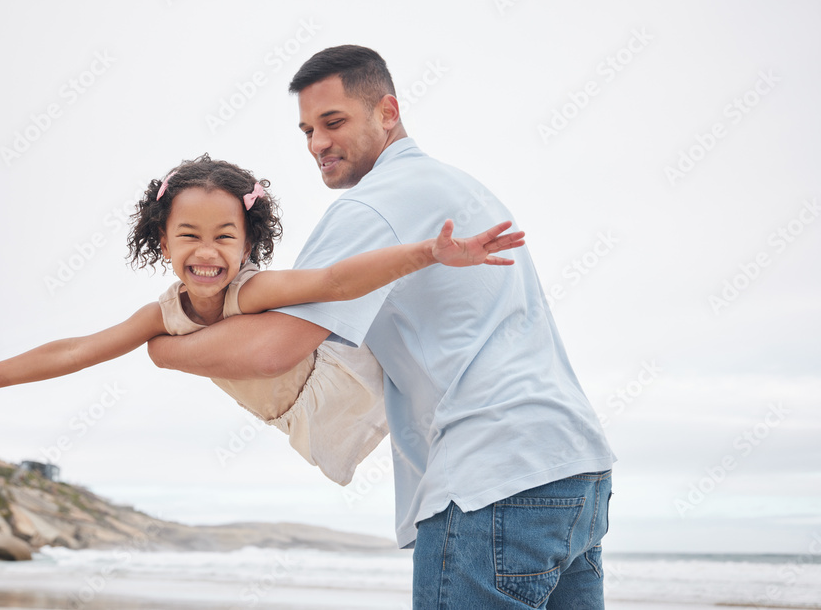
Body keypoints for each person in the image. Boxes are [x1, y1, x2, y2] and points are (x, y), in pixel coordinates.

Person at [146, 47, 617, 608]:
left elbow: (275, 348)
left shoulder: (373, 208)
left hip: (491, 478)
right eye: (306, 130)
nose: (317, 143)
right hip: (576, 471)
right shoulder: (456, 186)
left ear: (387, 111)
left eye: (334, 121)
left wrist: (161, 347)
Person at [0, 154, 525, 487]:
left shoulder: (254, 292)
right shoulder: (161, 316)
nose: (208, 252)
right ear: (163, 241)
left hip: (345, 380)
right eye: (189, 236)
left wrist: (426, 254)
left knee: (432, 417)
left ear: (248, 242)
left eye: (225, 236)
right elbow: (76, 349)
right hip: (299, 417)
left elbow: (335, 281)